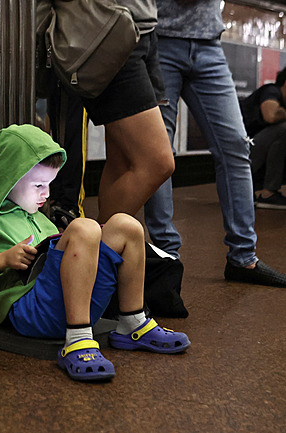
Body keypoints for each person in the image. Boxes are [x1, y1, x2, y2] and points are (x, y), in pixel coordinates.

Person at [0, 124, 190, 382]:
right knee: (84, 227)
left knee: (126, 226)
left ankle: (132, 322)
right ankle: (77, 339)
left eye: (49, 184)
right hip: (29, 310)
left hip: (72, 303)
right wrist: (0, 261)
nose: (47, 194)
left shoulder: (39, 218)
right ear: (9, 179)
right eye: (39, 185)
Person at [143, 0, 286, 287]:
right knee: (159, 151)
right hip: (160, 40)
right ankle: (167, 255)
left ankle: (243, 257)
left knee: (235, 145)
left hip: (209, 45)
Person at [81, 0, 174, 223]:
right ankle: (96, 248)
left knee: (121, 164)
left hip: (146, 30)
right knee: (158, 162)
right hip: (110, 28)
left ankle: (101, 249)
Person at [240, 67, 286, 209]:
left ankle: (265, 191)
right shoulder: (272, 91)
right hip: (241, 152)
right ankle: (267, 193)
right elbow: (270, 115)